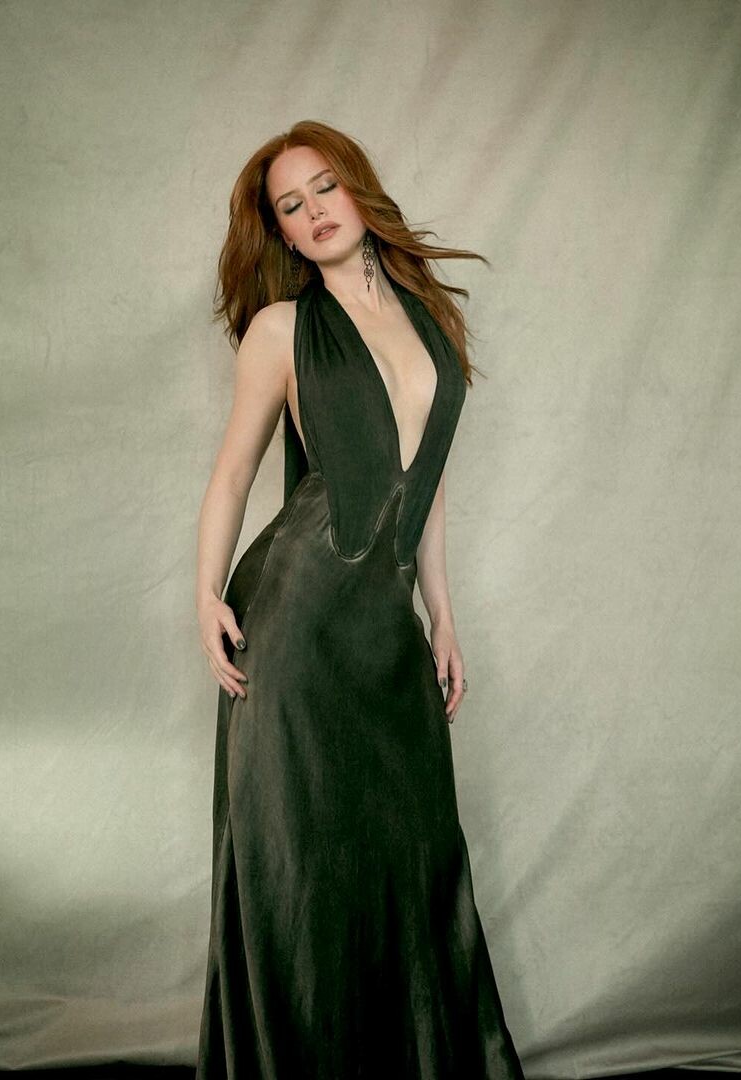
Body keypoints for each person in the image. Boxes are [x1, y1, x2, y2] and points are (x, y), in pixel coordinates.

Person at [194, 119, 524, 1079]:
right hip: (295, 625)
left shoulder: (430, 319)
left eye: (325, 188)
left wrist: (444, 615)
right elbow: (232, 475)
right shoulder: (282, 330)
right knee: (305, 877)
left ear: (358, 188)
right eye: (290, 207)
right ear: (284, 234)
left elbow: (427, 483)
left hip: (385, 628)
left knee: (411, 860)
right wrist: (204, 593)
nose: (314, 212)